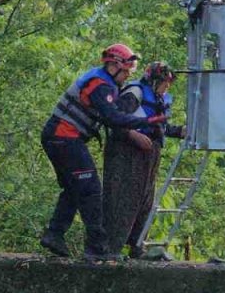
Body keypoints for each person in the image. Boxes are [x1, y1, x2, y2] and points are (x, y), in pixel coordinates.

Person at [40, 44, 167, 262]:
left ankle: (54, 235)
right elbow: (113, 118)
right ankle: (97, 248)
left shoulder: (105, 82)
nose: (128, 75)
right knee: (91, 190)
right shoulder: (100, 85)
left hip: (59, 138)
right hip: (64, 137)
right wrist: (145, 121)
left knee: (73, 188)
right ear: (114, 65)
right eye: (126, 71)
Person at [103, 61, 186, 259]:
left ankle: (137, 246)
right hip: (127, 154)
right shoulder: (134, 93)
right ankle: (110, 249)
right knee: (123, 199)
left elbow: (160, 128)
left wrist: (180, 131)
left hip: (148, 156)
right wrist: (132, 135)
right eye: (165, 82)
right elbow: (113, 120)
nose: (167, 86)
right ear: (154, 80)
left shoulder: (158, 99)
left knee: (145, 201)